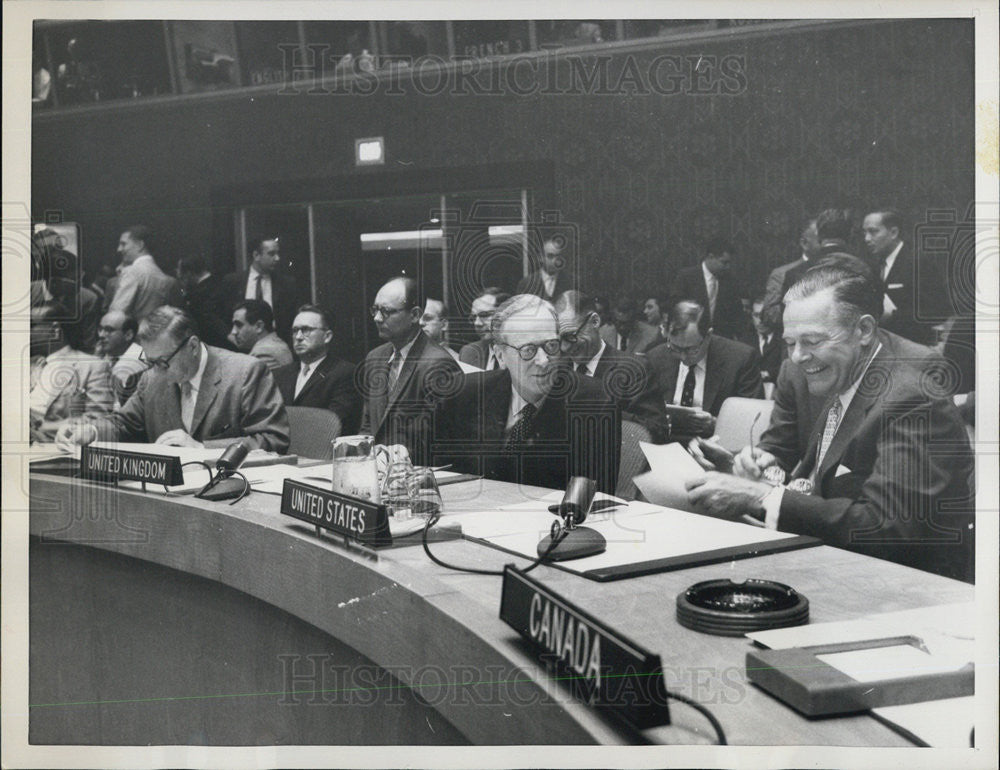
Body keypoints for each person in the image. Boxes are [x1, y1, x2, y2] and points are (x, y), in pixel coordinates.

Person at [684, 256, 974, 583]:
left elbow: (886, 528)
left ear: (863, 330)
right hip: (841, 567)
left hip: (908, 590)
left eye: (812, 341)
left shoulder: (913, 400)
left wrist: (760, 497)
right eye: (790, 343)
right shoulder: (845, 378)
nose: (796, 357)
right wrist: (744, 474)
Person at [433, 294, 620, 494]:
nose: (543, 360)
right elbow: (443, 473)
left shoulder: (595, 403)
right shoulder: (466, 393)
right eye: (528, 350)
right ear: (500, 355)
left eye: (551, 346)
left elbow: (589, 497)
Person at [56, 305, 289, 453]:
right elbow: (123, 424)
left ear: (193, 346)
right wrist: (90, 431)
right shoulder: (152, 379)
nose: (157, 371)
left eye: (163, 362)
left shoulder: (246, 372)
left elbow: (273, 439)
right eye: (151, 362)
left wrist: (202, 448)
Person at [357, 277, 462, 464]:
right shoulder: (375, 357)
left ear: (414, 315)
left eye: (386, 312)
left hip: (414, 475)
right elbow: (368, 423)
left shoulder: (439, 364)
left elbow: (434, 439)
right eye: (375, 310)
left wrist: (389, 458)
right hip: (375, 471)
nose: (377, 318)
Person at [555, 291, 670, 443]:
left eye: (570, 336)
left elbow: (658, 431)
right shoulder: (557, 372)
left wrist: (602, 409)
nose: (564, 347)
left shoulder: (635, 370)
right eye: (558, 340)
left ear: (595, 321)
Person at [647, 300, 763, 438]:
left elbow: (754, 421)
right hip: (666, 445)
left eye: (692, 350)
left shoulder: (741, 360)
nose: (683, 357)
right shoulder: (655, 357)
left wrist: (716, 424)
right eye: (676, 348)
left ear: (708, 336)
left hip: (715, 443)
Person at [29, 302, 113, 442]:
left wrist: (38, 428)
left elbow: (97, 419)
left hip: (56, 448)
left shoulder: (93, 366)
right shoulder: (31, 364)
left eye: (32, 326)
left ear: (55, 329)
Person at [273, 305, 362, 435]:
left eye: (306, 330)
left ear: (327, 336)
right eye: (295, 330)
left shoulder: (345, 373)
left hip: (321, 452)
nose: (298, 337)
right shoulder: (280, 374)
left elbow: (332, 423)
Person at [862, 208, 939, 345]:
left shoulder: (918, 262)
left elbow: (935, 310)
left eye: (873, 232)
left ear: (893, 232)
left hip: (914, 345)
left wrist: (893, 316)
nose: (867, 239)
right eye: (865, 232)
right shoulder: (875, 265)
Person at [221, 237, 301, 341]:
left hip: (274, 345)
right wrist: (228, 335)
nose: (277, 258)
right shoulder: (233, 281)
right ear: (256, 255)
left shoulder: (286, 284)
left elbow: (291, 319)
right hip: (240, 348)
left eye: (277, 253)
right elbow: (219, 314)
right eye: (271, 254)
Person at [669, 239, 749, 341]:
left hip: (720, 341)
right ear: (710, 257)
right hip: (691, 340)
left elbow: (736, 314)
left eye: (729, 263)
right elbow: (676, 309)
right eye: (724, 262)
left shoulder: (730, 281)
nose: (728, 267)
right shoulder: (686, 277)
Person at [107, 225, 183, 322]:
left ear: (140, 245)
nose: (119, 249)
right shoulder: (164, 278)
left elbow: (115, 315)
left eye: (123, 244)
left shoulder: (132, 271)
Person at [761, 218, 822, 331]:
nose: (827, 244)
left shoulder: (838, 268)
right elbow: (769, 316)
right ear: (804, 243)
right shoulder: (781, 274)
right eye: (821, 239)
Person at [176, 254, 231, 349]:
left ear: (188, 273)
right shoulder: (222, 283)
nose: (179, 276)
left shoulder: (196, 296)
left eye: (182, 277)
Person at [95, 310, 147, 407]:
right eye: (100, 329)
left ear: (128, 335)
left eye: (109, 330)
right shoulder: (106, 355)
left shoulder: (139, 362)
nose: (101, 335)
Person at [229, 299, 294, 371]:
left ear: (259, 326)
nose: (233, 332)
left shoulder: (263, 353)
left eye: (239, 325)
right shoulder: (276, 343)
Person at [459, 288, 510, 370]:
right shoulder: (469, 353)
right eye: (473, 317)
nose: (477, 323)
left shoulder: (522, 353)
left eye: (484, 315)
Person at [515, 237, 577, 302]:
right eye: (550, 256)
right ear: (541, 257)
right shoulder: (526, 283)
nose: (554, 261)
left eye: (558, 256)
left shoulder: (571, 282)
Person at [750, 295, 784, 389]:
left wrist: (769, 374)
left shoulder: (784, 340)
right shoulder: (744, 341)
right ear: (752, 316)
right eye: (757, 315)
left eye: (765, 315)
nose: (761, 320)